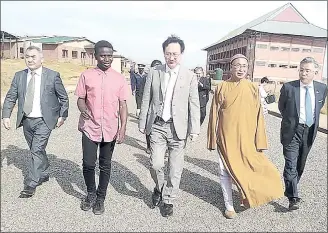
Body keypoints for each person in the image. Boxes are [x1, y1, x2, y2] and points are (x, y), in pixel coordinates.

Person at [207, 54, 284, 219]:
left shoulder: (252, 88)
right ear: (231, 67)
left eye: (244, 66)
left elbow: (259, 117)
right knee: (224, 171)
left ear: (247, 69)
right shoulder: (221, 87)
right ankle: (229, 205)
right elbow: (214, 114)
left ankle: (249, 194)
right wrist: (212, 138)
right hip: (225, 137)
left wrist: (259, 140)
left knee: (253, 168)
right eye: (237, 65)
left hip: (246, 138)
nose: (241, 69)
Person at [139, 35, 200, 217]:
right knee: (156, 163)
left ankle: (168, 200)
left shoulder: (189, 76)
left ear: (181, 54)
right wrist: (143, 122)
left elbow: (194, 104)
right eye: (168, 53)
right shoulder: (154, 72)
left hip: (178, 129)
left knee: (175, 168)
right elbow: (146, 98)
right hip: (157, 125)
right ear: (163, 54)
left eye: (175, 54)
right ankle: (160, 187)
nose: (171, 57)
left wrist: (195, 129)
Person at [1, 45, 69, 198]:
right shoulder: (19, 76)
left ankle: (31, 183)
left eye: (33, 57)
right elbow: (11, 96)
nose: (30, 59)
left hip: (45, 120)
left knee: (36, 149)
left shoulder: (52, 76)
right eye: (27, 57)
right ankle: (43, 172)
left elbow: (63, 98)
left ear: (41, 59)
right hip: (26, 121)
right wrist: (6, 115)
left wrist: (62, 116)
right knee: (35, 149)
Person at [75, 40, 129, 215]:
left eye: (110, 55)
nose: (107, 59)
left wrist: (122, 128)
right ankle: (90, 193)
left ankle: (100, 199)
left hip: (110, 129)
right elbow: (80, 99)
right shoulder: (86, 75)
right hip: (90, 127)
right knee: (89, 164)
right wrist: (83, 110)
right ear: (95, 56)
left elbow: (123, 105)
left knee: (105, 165)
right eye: (103, 55)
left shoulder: (119, 78)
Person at [278, 57, 327, 211]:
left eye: (307, 70)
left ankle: (291, 187)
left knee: (300, 163)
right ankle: (293, 197)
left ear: (315, 72)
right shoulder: (288, 88)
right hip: (292, 131)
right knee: (291, 164)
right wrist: (292, 121)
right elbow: (282, 108)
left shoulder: (322, 88)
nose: (303, 73)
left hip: (309, 131)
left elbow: (319, 108)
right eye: (301, 70)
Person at [143, 59, 162, 154]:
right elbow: (144, 95)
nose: (156, 68)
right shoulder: (146, 78)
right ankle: (149, 145)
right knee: (148, 128)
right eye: (154, 66)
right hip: (149, 108)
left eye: (158, 66)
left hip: (159, 110)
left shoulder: (165, 79)